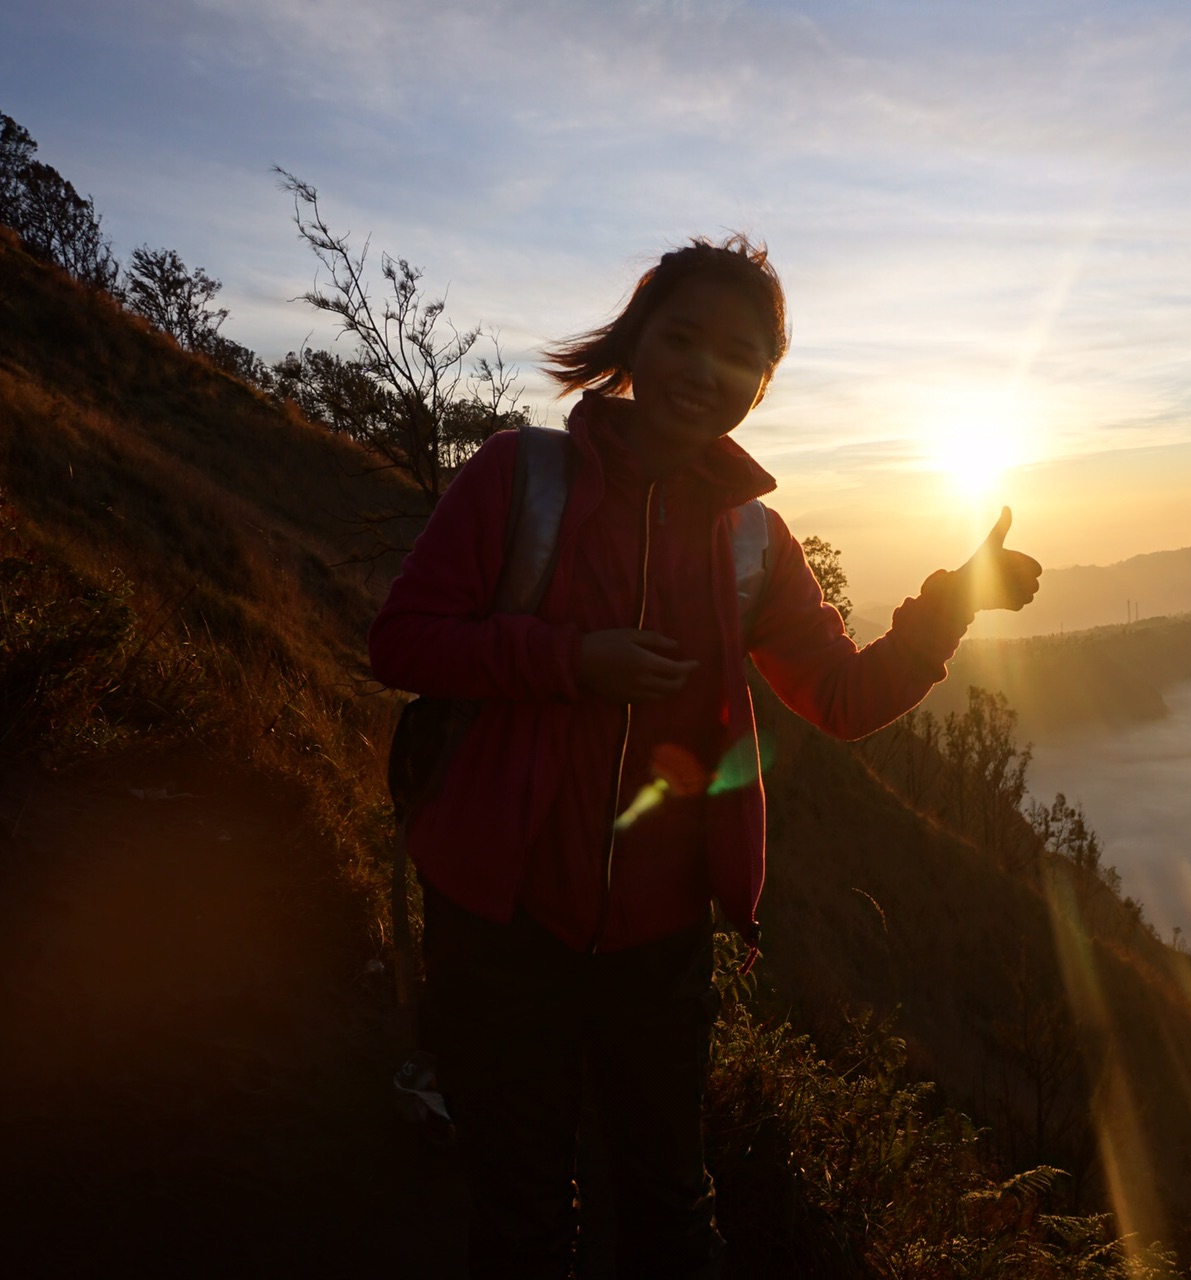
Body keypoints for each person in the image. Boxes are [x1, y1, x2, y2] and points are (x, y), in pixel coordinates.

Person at [367, 235, 1041, 1277]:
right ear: (633, 344)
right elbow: (403, 640)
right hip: (500, 917)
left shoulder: (752, 544)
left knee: (671, 1204)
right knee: (523, 1209)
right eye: (680, 336)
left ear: (760, 384)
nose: (702, 368)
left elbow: (842, 697)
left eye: (737, 354)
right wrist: (571, 659)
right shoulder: (519, 479)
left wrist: (951, 606)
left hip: (659, 936)